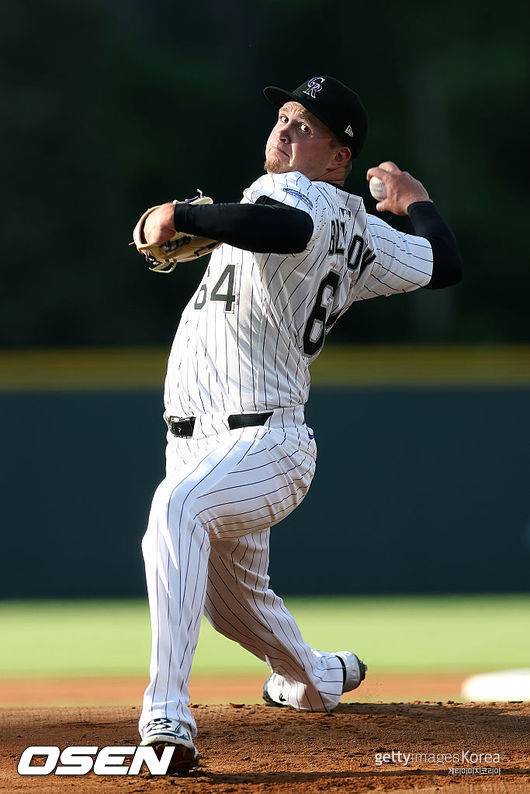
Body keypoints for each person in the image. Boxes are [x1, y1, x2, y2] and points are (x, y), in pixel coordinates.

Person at [134, 75, 463, 773]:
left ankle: (167, 714)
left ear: (339, 158)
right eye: (284, 116)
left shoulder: (293, 197)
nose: (285, 129)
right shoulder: (364, 233)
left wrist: (186, 214)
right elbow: (443, 264)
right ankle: (317, 676)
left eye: (305, 126)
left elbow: (289, 229)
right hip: (213, 445)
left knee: (176, 509)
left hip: (264, 439)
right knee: (234, 607)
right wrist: (416, 202)